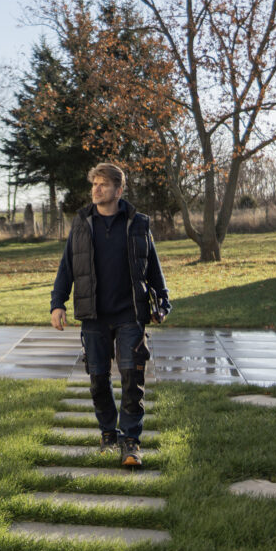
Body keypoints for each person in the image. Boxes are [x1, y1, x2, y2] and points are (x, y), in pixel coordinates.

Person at [50, 163, 171, 467]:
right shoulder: (81, 224)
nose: (97, 189)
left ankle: (130, 441)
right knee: (98, 378)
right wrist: (57, 303)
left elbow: (152, 266)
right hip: (94, 315)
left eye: (103, 184)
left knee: (133, 377)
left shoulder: (138, 223)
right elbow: (67, 266)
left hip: (130, 312)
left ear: (119, 190)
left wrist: (162, 301)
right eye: (94, 184)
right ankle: (108, 432)